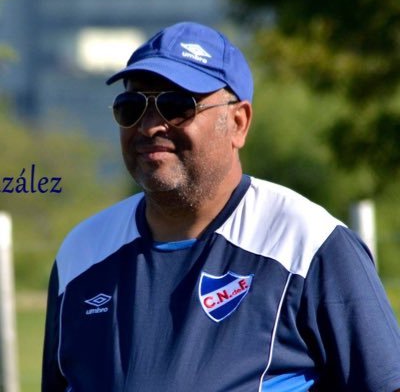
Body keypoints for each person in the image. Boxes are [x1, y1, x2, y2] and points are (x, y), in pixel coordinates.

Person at [42, 21, 400, 392]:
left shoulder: (308, 244)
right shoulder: (82, 253)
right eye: (132, 107)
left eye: (176, 106)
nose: (150, 127)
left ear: (238, 123)